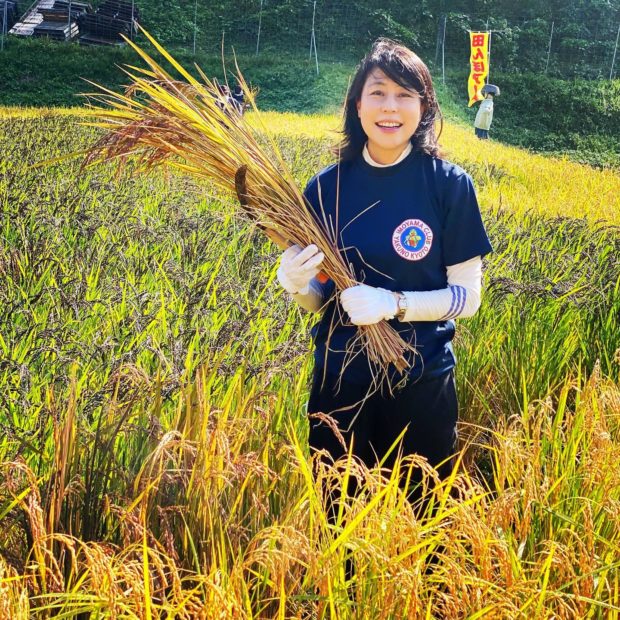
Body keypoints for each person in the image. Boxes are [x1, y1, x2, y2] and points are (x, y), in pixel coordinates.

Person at [276, 39, 493, 513]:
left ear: (424, 107)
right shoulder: (326, 187)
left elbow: (467, 296)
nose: (389, 107)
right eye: (377, 93)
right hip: (340, 382)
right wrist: (297, 285)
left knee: (423, 522)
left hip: (421, 379)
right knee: (339, 520)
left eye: (404, 94)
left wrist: (395, 303)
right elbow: (321, 299)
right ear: (357, 105)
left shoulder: (448, 186)